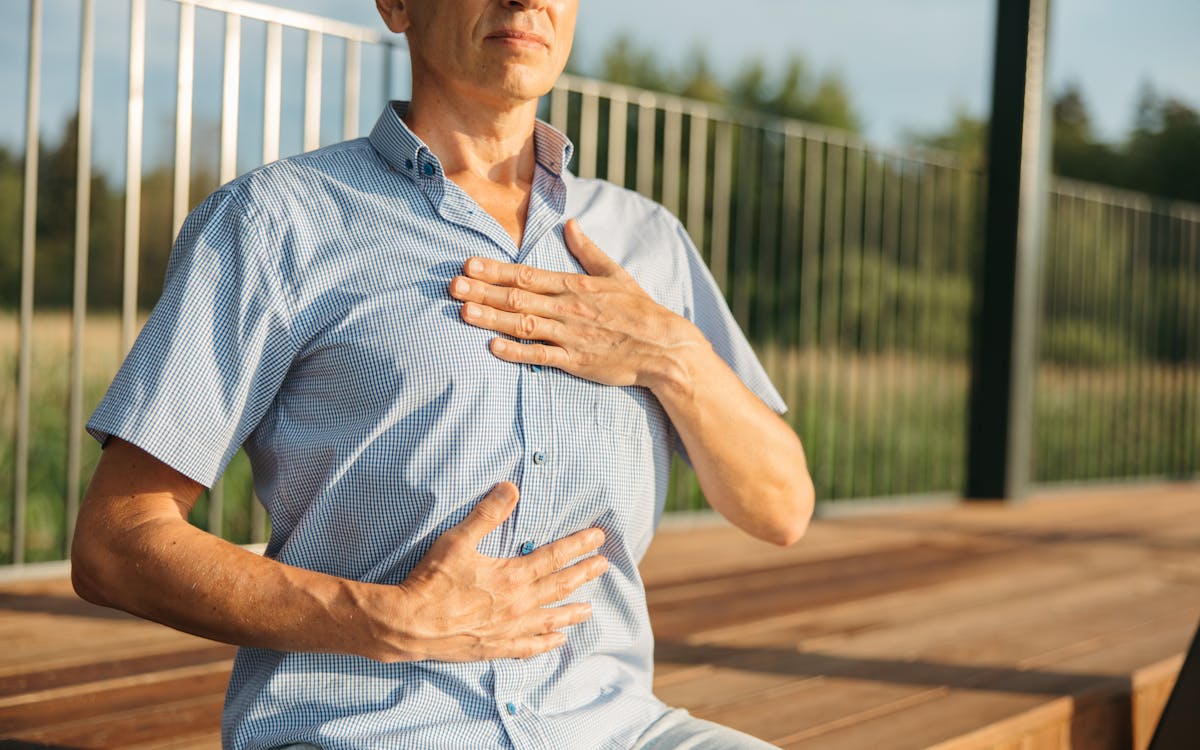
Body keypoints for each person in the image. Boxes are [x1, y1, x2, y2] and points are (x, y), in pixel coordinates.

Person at [70, 0, 814, 747]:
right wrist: (388, 620)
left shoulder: (647, 241)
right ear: (396, 5)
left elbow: (782, 508)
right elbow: (116, 543)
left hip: (617, 729)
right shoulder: (273, 224)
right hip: (367, 733)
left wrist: (670, 353)